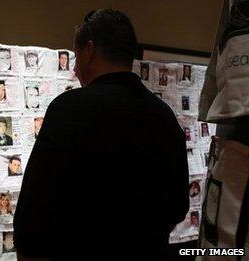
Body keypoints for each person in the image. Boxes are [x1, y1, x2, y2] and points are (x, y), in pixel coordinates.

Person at [14, 9, 189, 259]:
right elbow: (176, 209)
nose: (74, 68)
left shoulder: (68, 110)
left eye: (76, 56)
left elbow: (33, 217)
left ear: (89, 50)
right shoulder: (164, 116)